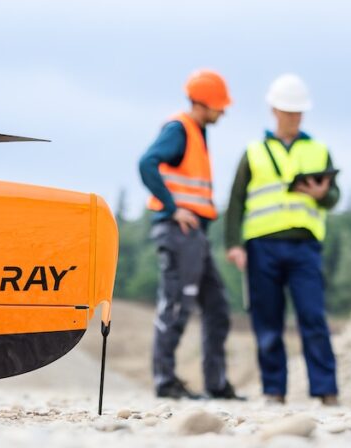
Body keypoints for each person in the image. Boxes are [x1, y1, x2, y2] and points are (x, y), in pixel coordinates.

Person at [223, 73, 340, 405]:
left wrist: (322, 194)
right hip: (262, 246)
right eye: (288, 111)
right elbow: (236, 201)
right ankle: (274, 391)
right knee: (268, 321)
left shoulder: (319, 150)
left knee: (313, 318)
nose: (294, 117)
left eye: (299, 112)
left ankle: (326, 391)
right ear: (274, 109)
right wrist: (233, 244)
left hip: (305, 246)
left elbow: (334, 196)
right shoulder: (253, 152)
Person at [138, 69, 242, 400]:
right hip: (179, 231)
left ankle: (216, 384)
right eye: (219, 105)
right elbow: (147, 163)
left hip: (194, 235)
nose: (223, 111)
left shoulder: (196, 132)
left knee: (216, 306)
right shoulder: (179, 129)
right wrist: (172, 207)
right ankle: (165, 382)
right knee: (176, 305)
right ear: (204, 103)